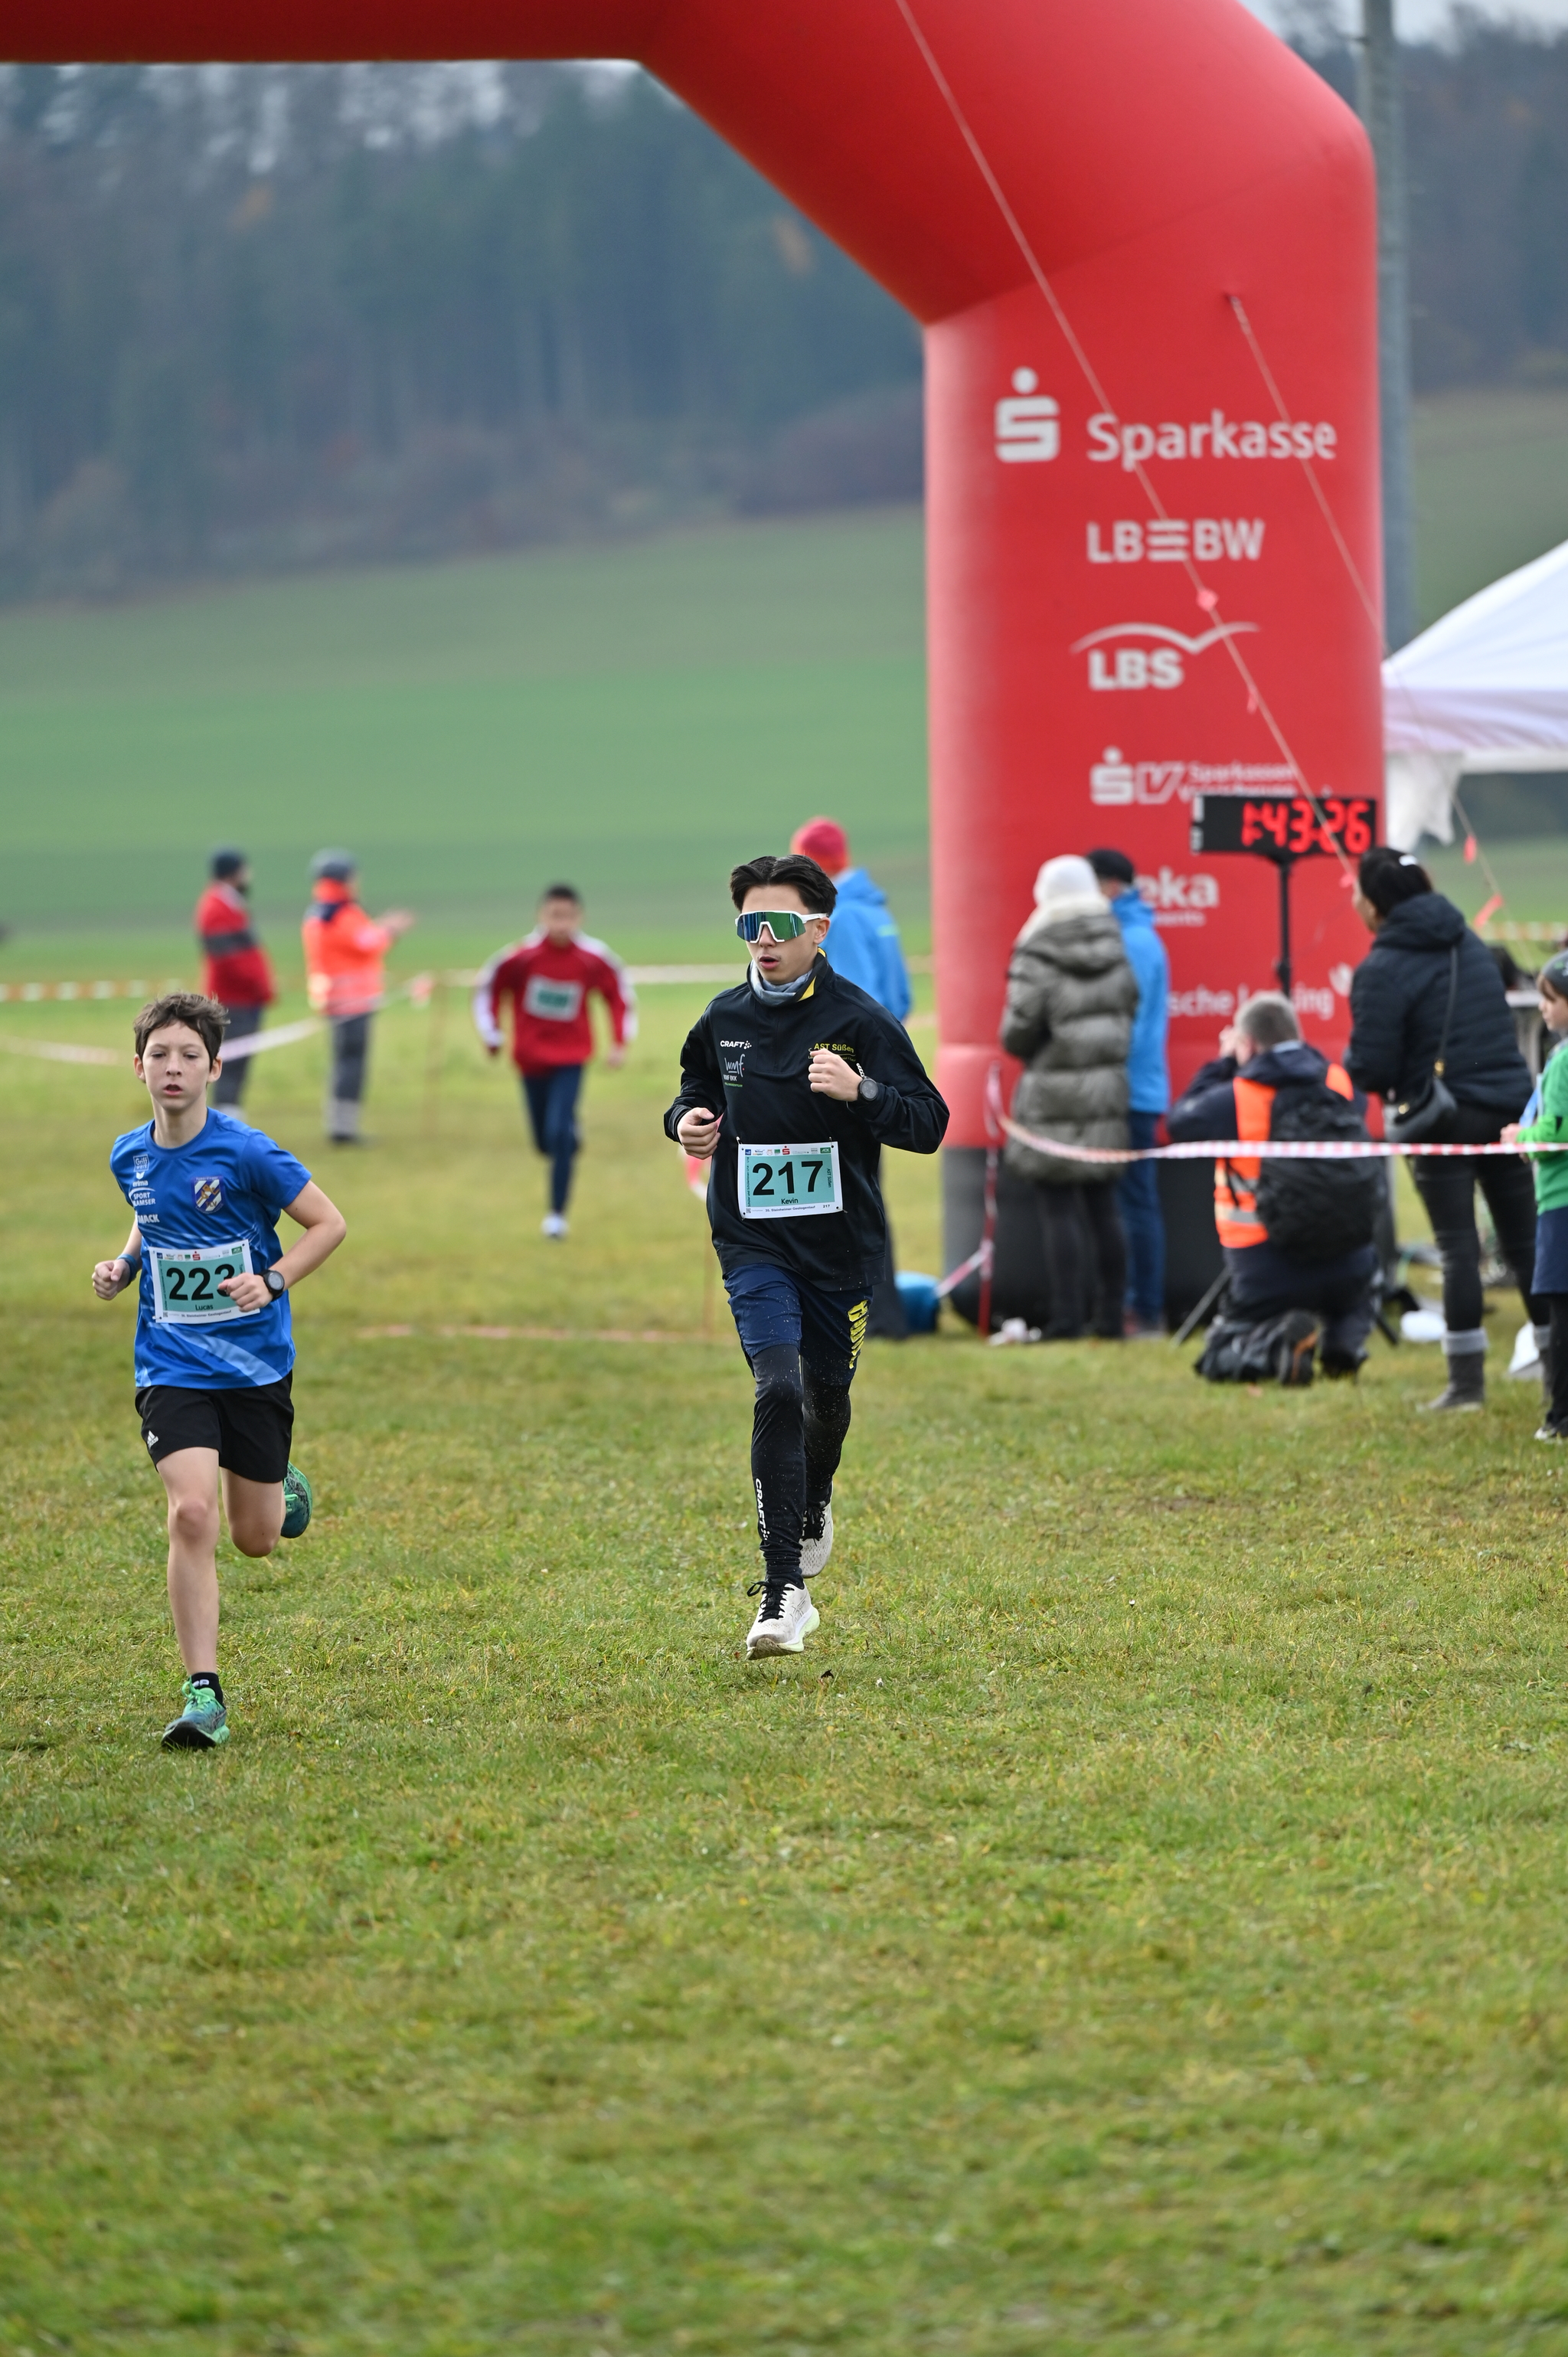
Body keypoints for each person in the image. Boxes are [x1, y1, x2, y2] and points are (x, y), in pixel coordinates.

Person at [666, 852, 947, 1659]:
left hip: (839, 1251)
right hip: (752, 1239)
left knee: (826, 1397)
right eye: (748, 925)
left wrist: (862, 1092)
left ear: (818, 930)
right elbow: (694, 1087)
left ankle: (815, 1493)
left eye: (780, 924)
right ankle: (782, 1591)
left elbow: (929, 1122)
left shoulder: (860, 1021)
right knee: (778, 1387)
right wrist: (685, 1122)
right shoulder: (723, 1018)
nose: (763, 939)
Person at [91, 992, 347, 1751]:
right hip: (169, 1361)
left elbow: (328, 1224)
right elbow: (152, 1214)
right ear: (138, 1067)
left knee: (256, 1539)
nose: (173, 1068)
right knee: (191, 1514)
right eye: (160, 1055)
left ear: (214, 1068)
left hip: (254, 1363)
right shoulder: (128, 1154)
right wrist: (125, 1264)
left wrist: (272, 1280)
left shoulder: (247, 1151)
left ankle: (279, 1481)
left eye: (189, 1056)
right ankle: (203, 1692)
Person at [1346, 845, 1540, 1412]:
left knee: (1458, 1249)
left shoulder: (1382, 966)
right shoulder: (1470, 943)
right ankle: (1559, 1375)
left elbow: (1372, 1067)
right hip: (1508, 1109)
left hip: (1441, 1117)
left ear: (1374, 905)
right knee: (1527, 1246)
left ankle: (1466, 1385)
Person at [1168, 992, 1381, 1384]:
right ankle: (1345, 1339)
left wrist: (1224, 1063)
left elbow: (1180, 1121)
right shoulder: (1340, 1083)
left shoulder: (1237, 1097)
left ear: (1248, 1044)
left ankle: (1276, 1343)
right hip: (1349, 1261)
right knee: (1356, 1292)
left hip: (1266, 1265)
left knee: (1217, 1355)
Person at [1000, 854, 1138, 1339]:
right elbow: (1130, 1012)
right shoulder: (1115, 944)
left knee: (1058, 1207)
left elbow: (1017, 1033)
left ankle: (1067, 1318)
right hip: (1106, 1091)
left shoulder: (1037, 950)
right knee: (1104, 1207)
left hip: (1053, 1093)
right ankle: (1112, 1317)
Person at [791, 816, 913, 1337]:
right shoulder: (875, 909)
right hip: (878, 1076)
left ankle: (873, 1316)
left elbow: (850, 1005)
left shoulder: (838, 919)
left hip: (845, 1079)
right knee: (864, 1194)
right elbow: (900, 998)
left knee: (845, 1201)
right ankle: (883, 1316)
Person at [472, 885, 635, 1239]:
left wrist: (619, 1042)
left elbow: (618, 995)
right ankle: (566, 1139)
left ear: (579, 918)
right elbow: (489, 989)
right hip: (530, 1059)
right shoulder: (520, 957)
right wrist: (492, 1034)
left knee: (559, 1131)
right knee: (545, 1142)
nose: (561, 924)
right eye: (554, 916)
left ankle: (557, 1216)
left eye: (568, 916)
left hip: (571, 1059)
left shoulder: (593, 957)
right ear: (541, 916)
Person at [1089, 845, 1169, 1334]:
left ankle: (1144, 1309)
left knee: (1134, 1205)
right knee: (1130, 1203)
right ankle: (1138, 1307)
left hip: (1131, 1091)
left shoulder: (1133, 941)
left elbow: (1127, 1026)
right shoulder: (1134, 934)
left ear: (1111, 886)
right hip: (1132, 1088)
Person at [301, 852, 415, 1145]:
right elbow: (368, 942)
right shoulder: (343, 913)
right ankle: (343, 1128)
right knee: (351, 1064)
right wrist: (391, 929)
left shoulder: (318, 913)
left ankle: (340, 1125)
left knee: (343, 1061)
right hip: (352, 1001)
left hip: (332, 998)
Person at [1502, 950, 1568, 1440]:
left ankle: (1561, 1416)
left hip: (1560, 1202)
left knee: (1562, 1310)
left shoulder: (1562, 1060)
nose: (1542, 1006)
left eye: (1551, 998)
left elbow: (1557, 1129)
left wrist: (1521, 1138)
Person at [194, 848, 276, 1109]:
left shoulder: (228, 903)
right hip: (233, 999)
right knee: (229, 1063)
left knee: (237, 1063)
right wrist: (257, 984)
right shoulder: (217, 907)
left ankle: (229, 1114)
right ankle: (225, 1116)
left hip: (244, 998)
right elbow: (229, 959)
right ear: (235, 872)